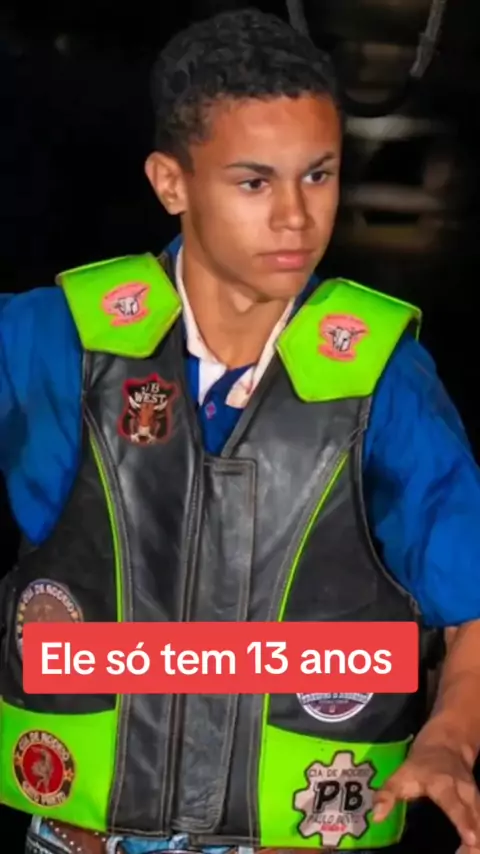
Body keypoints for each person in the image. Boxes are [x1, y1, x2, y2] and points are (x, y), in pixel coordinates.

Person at [1, 7, 480, 854]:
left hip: (306, 835)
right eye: (254, 183)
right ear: (172, 183)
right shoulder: (52, 341)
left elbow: (471, 600)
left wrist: (450, 739)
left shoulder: (384, 377)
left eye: (319, 176)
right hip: (81, 834)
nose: (295, 216)